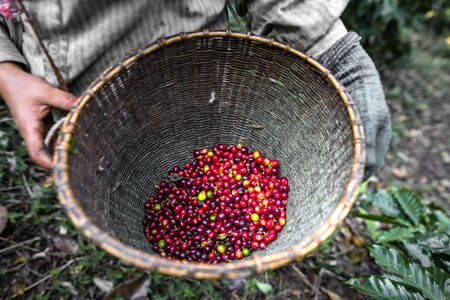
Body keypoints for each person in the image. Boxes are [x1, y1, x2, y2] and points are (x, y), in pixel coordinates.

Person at [0, 0, 390, 178]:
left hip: (194, 73)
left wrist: (328, 45)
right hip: (81, 101)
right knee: (127, 184)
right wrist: (6, 69)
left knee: (196, 157)